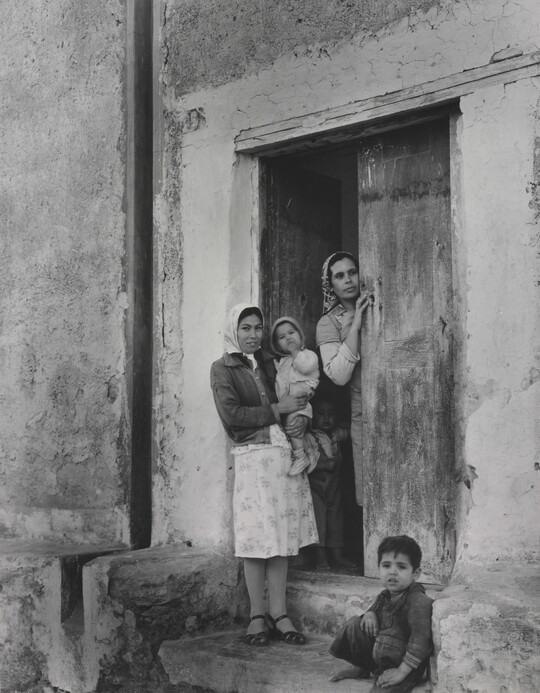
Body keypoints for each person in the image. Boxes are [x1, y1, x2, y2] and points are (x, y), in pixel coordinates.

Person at [210, 303, 319, 646]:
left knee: (280, 539)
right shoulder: (222, 369)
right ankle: (257, 614)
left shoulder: (271, 363)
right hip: (253, 457)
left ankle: (280, 613)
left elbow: (297, 391)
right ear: (234, 330)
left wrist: (301, 417)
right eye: (246, 328)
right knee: (255, 538)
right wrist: (277, 410)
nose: (254, 335)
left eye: (258, 328)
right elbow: (232, 415)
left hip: (281, 455)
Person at [329, 535, 433, 692]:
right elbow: (375, 611)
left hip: (404, 667)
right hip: (381, 655)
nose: (392, 572)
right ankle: (361, 668)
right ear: (379, 568)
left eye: (401, 567)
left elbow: (421, 642)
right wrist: (370, 613)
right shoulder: (385, 595)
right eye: (386, 566)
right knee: (355, 624)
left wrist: (401, 672)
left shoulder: (418, 601)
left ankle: (396, 677)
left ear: (416, 573)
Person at [316, 251, 373, 506]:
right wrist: (356, 325)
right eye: (339, 276)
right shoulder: (328, 323)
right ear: (331, 285)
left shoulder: (377, 304)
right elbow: (338, 375)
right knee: (370, 487)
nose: (348, 280)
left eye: (352, 272)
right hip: (363, 407)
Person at [305, 393, 354, 569]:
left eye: (331, 414)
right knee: (319, 523)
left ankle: (337, 557)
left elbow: (356, 429)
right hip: (316, 489)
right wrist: (325, 464)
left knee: (336, 522)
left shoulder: (336, 434)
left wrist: (345, 424)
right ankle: (321, 560)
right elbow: (305, 463)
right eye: (320, 414)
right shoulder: (308, 437)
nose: (326, 418)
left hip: (334, 489)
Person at [270, 316, 320, 475]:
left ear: (300, 334)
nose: (288, 338)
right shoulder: (284, 361)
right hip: (289, 404)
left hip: (301, 403)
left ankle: (301, 457)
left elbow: (306, 367)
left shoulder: (308, 355)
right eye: (282, 337)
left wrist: (295, 352)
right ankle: (309, 452)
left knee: (293, 424)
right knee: (290, 428)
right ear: (277, 344)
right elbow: (281, 382)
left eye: (291, 333)